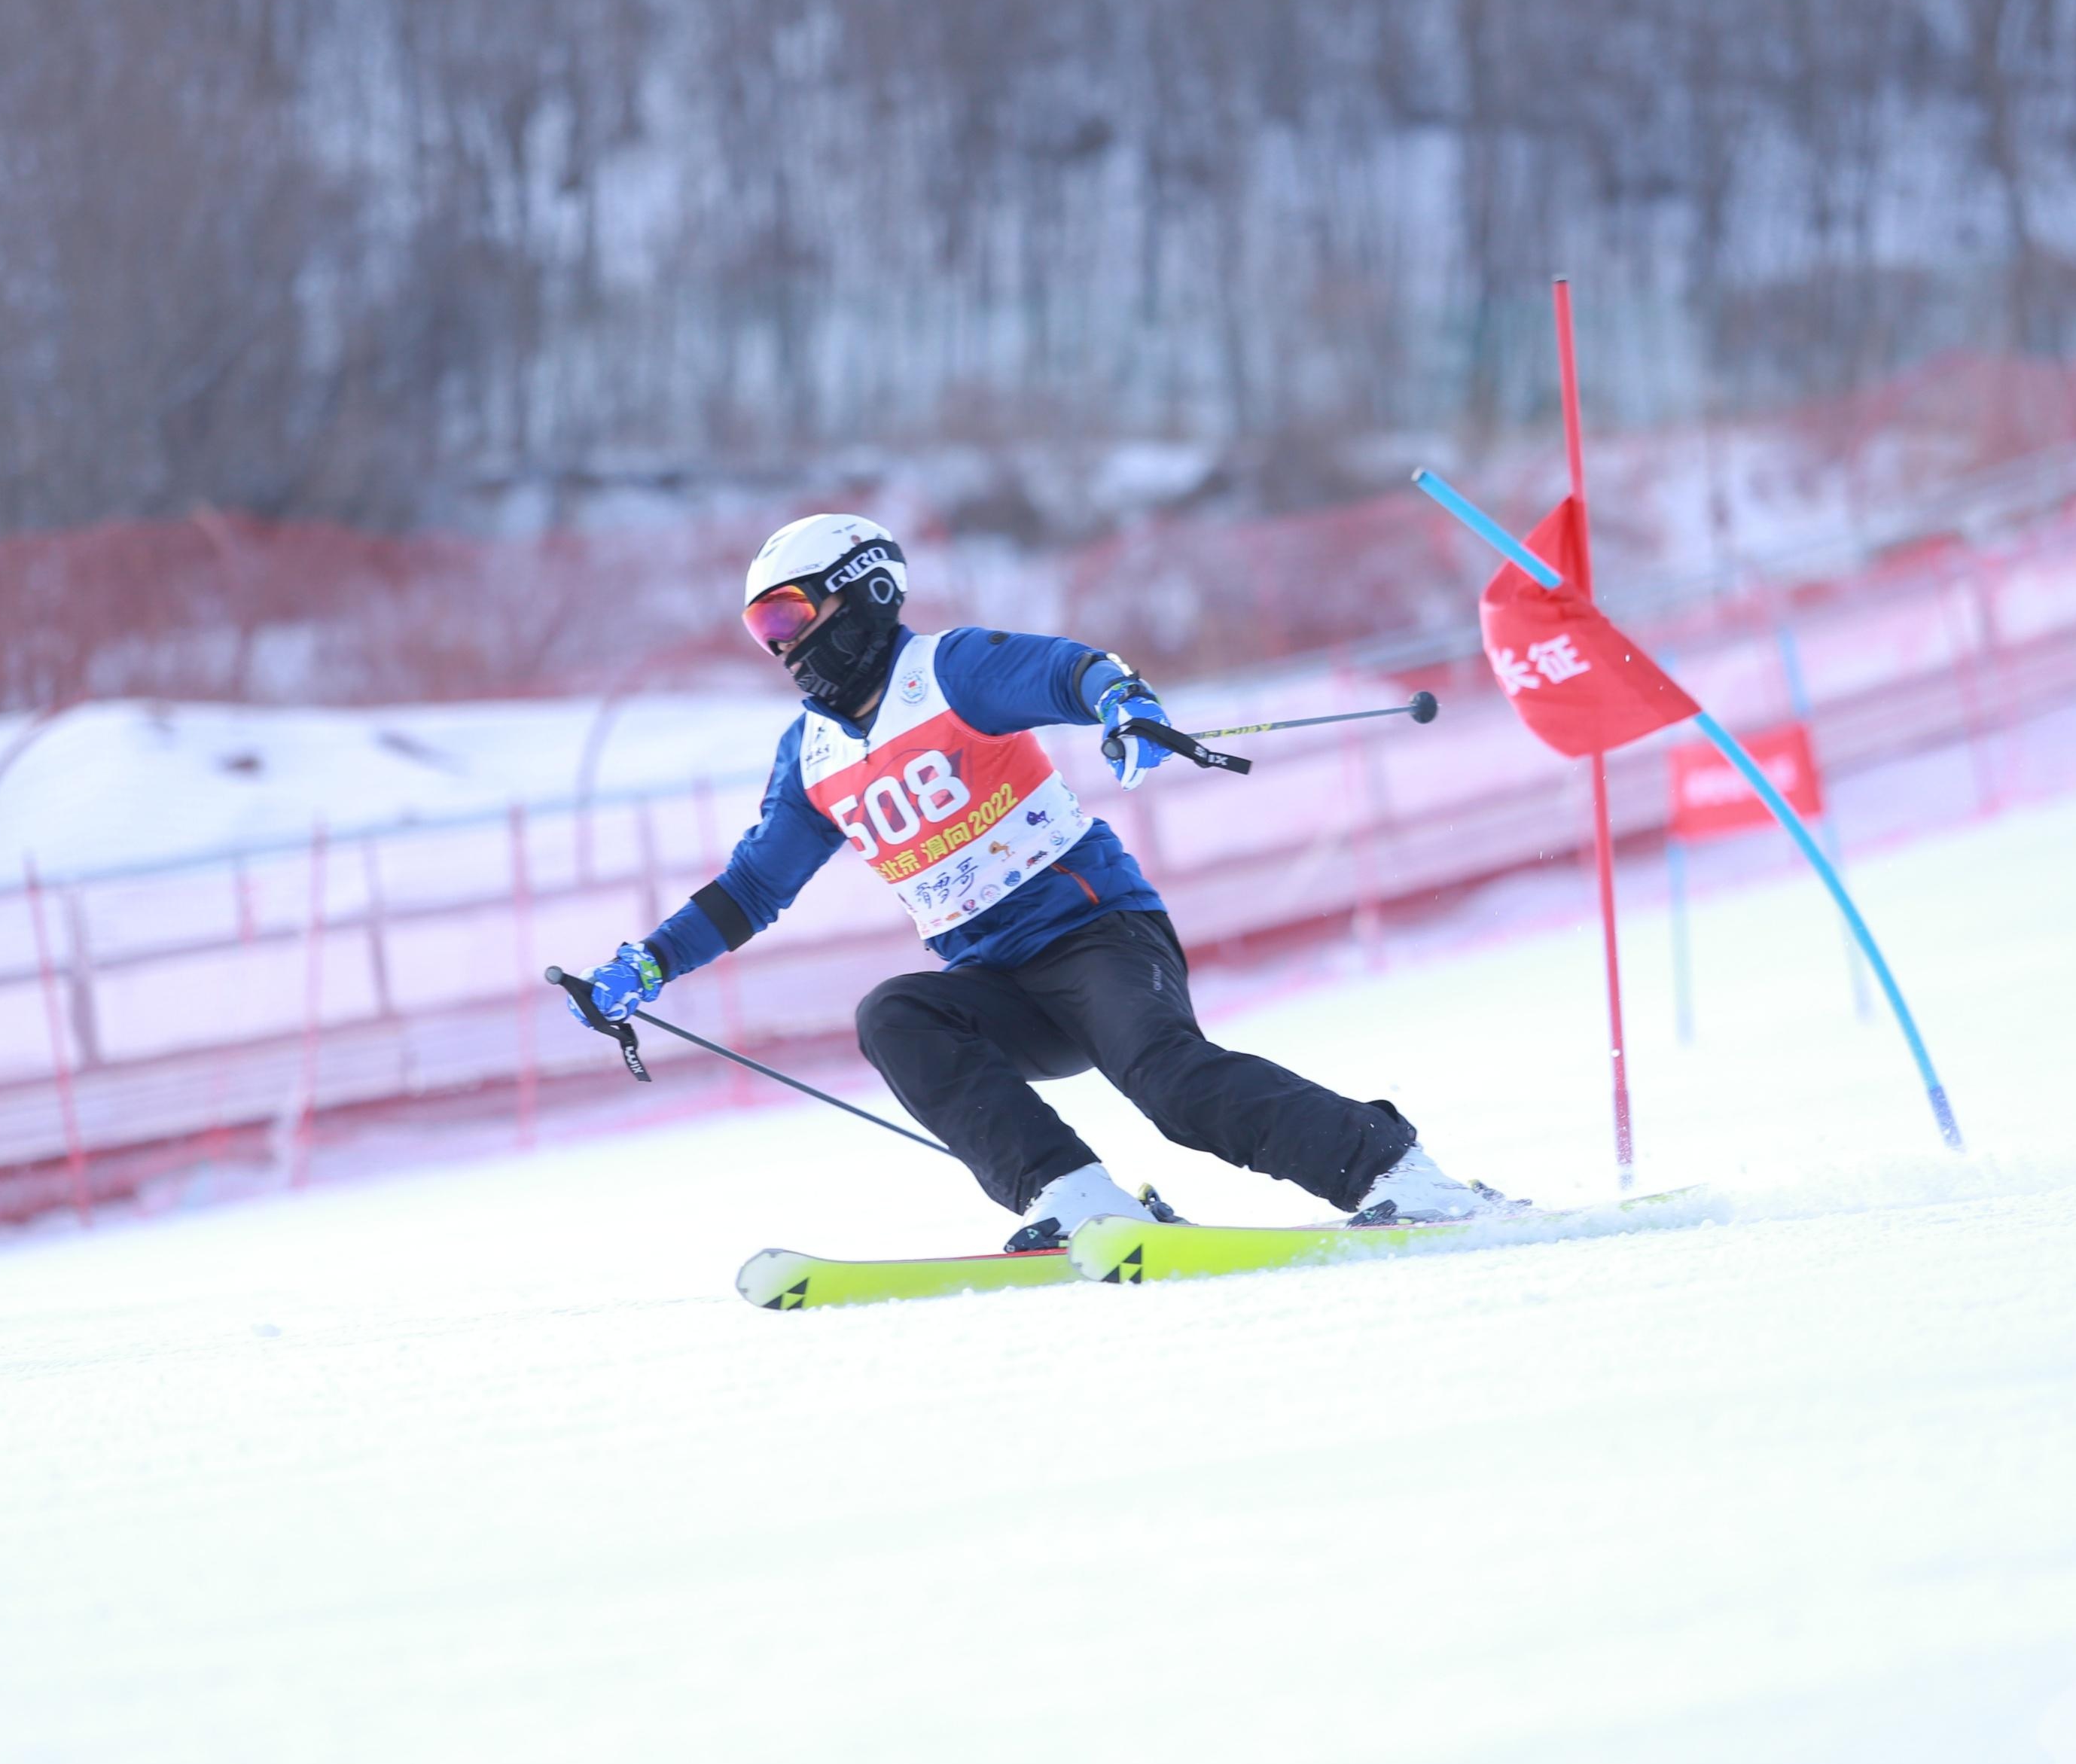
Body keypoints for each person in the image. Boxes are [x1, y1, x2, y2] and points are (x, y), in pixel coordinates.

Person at [572, 513, 1511, 1251]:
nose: (778, 646)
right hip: (996, 984)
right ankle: (1079, 1201)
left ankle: (1397, 1175)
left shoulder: (946, 670)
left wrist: (1123, 706)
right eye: (759, 628)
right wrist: (647, 967)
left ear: (858, 594)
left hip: (1095, 936)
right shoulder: (811, 754)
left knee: (1170, 1087)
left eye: (786, 615)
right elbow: (753, 887)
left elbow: (1069, 670)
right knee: (896, 1016)